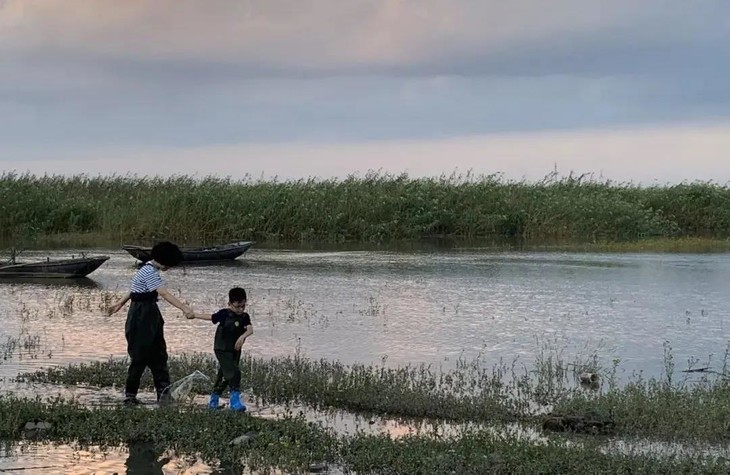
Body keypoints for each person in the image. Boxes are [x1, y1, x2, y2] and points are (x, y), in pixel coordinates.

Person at [107, 241, 194, 406]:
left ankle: (164, 396)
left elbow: (134, 290)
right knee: (139, 356)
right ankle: (130, 396)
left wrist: (119, 303)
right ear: (166, 260)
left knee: (159, 355)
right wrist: (184, 308)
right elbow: (163, 293)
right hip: (141, 316)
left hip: (151, 314)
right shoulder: (149, 271)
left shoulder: (148, 269)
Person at [189, 286, 253, 411]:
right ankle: (235, 402)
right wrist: (194, 315)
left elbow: (250, 330)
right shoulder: (224, 314)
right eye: (237, 306)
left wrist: (242, 337)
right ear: (230, 304)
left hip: (235, 350)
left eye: (243, 306)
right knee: (234, 372)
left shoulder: (245, 317)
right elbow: (211, 317)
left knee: (224, 375)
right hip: (222, 349)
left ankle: (213, 400)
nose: (240, 309)